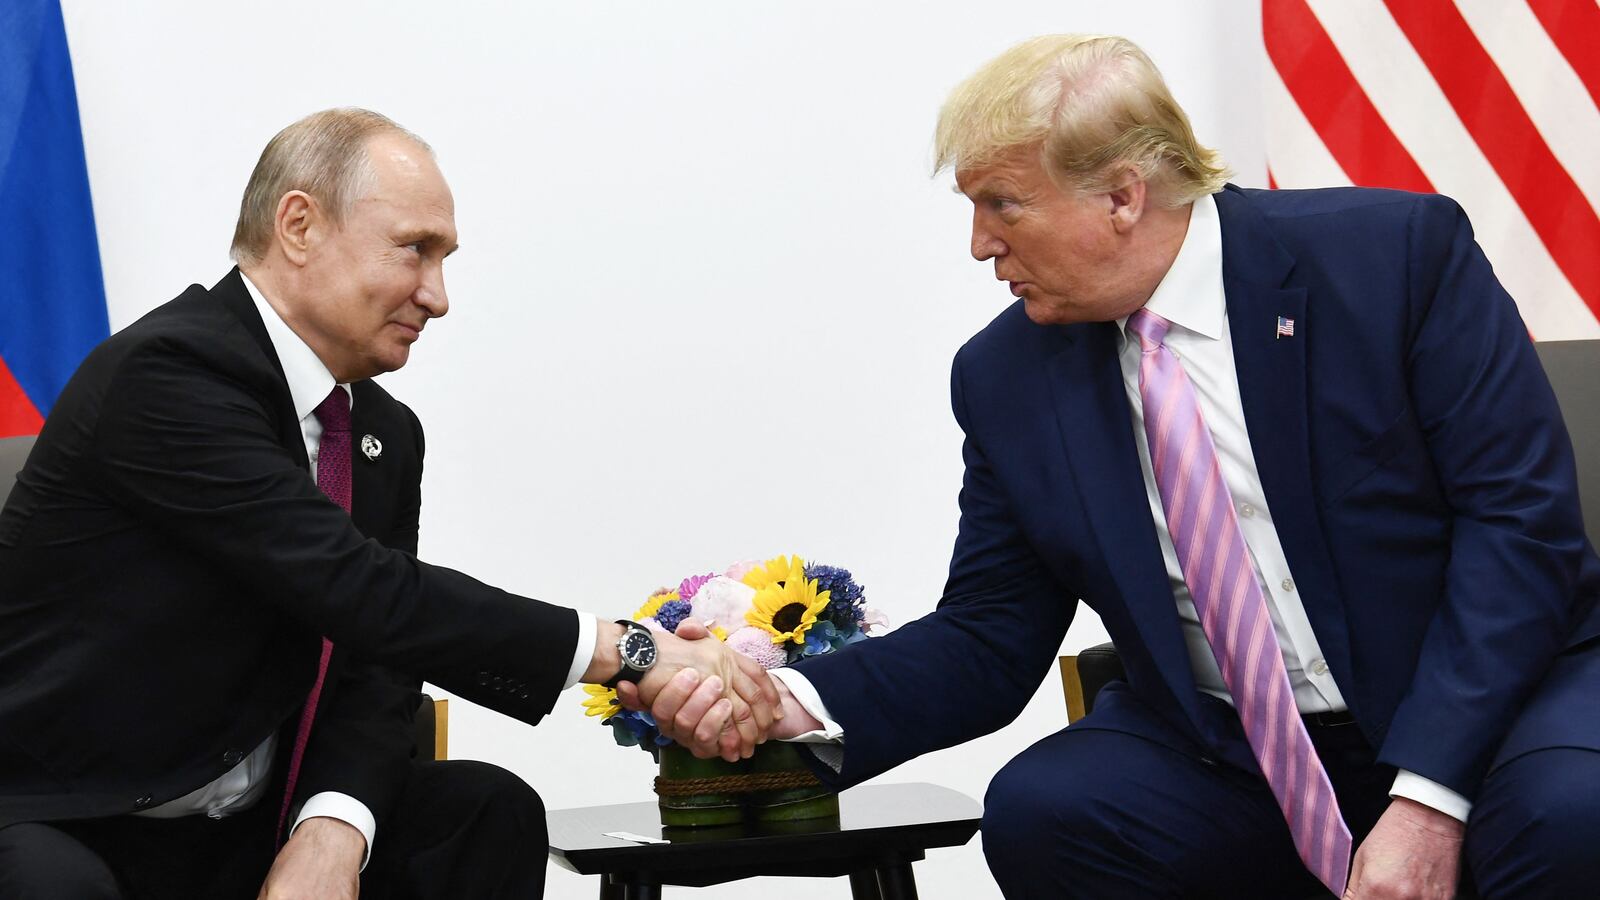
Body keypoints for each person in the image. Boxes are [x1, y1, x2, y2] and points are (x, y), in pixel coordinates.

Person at [630, 35, 1600, 899]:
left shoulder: (1389, 258)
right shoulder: (1007, 375)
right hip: (1235, 749)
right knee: (1053, 810)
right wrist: (787, 699)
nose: (979, 245)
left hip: (1490, 707)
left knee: (1571, 814)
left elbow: (1519, 531)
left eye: (1000, 204)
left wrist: (1428, 796)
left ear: (1122, 195)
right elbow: (990, 632)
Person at [0, 108, 777, 900]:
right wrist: (630, 651)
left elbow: (378, 660)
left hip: (241, 824)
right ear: (298, 225)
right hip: (64, 812)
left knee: (485, 811)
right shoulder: (167, 375)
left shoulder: (379, 431)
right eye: (416, 250)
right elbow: (362, 589)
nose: (437, 297)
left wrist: (333, 828)